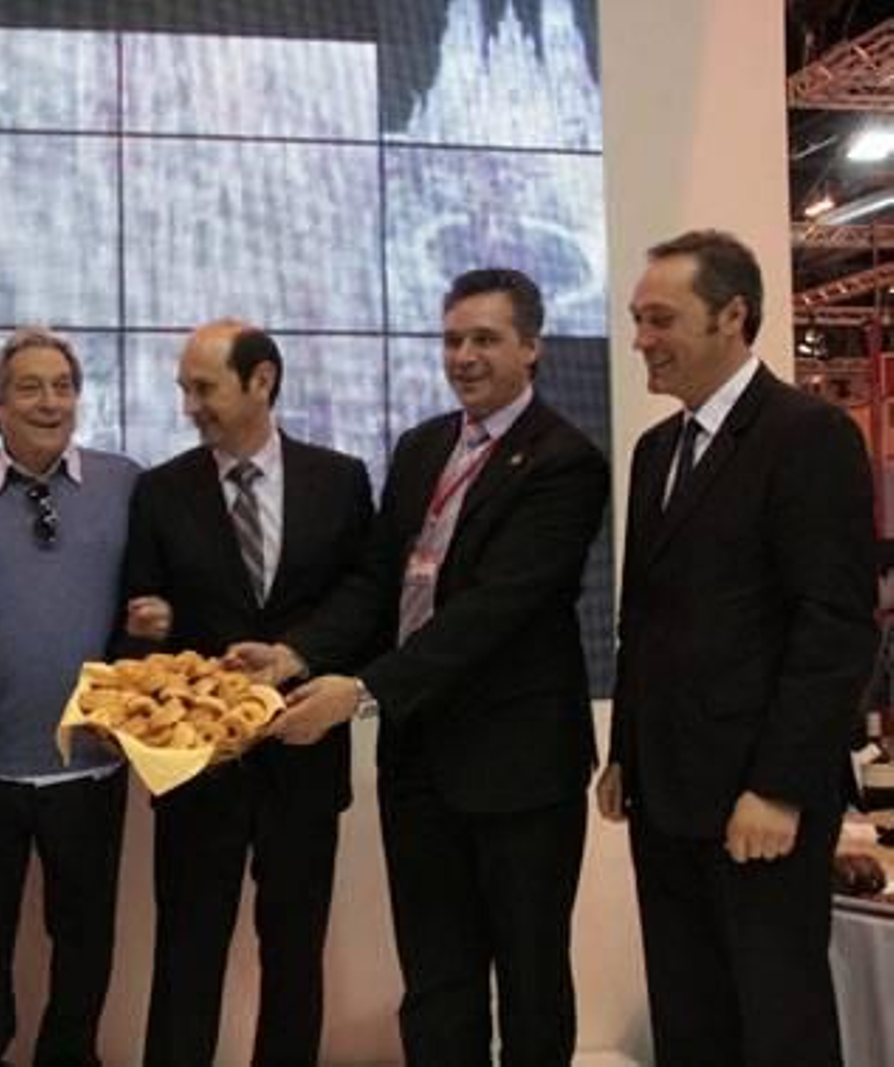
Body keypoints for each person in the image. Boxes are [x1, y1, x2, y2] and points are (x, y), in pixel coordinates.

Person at [239, 268, 609, 1065]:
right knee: (436, 979)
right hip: (421, 762)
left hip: (519, 768)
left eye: (486, 338)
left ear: (532, 347)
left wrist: (366, 688)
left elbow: (496, 610)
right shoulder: (421, 448)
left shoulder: (565, 460)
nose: (464, 356)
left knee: (530, 977)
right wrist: (301, 653)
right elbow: (379, 581)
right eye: (452, 339)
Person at [598, 230, 875, 1066]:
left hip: (761, 801)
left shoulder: (808, 435)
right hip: (668, 794)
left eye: (660, 318)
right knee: (692, 1014)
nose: (641, 338)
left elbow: (834, 625)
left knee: (776, 1017)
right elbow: (645, 617)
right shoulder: (657, 452)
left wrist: (781, 788)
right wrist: (626, 753)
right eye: (637, 319)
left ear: (732, 315)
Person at [120, 319, 374, 1066]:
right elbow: (139, 612)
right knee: (187, 953)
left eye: (204, 388)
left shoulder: (341, 478)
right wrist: (150, 621)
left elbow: (366, 594)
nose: (190, 404)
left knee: (295, 956)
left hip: (303, 756)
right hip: (200, 767)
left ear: (260, 380)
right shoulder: (160, 491)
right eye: (184, 388)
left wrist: (301, 654)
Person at [0, 326, 141, 1066]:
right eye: (29, 386)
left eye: (62, 385)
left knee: (85, 939)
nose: (49, 400)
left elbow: (150, 597)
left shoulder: (126, 482)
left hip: (91, 765)